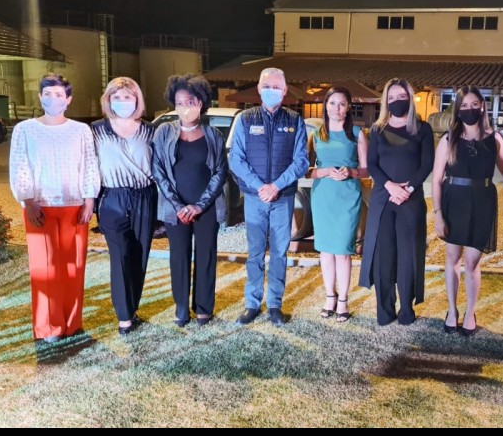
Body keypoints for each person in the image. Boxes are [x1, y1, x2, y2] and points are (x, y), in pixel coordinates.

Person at [9, 73, 101, 343]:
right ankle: (49, 326)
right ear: (40, 97)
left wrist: (89, 199)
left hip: (75, 207)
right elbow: (20, 165)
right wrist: (28, 200)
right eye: (48, 94)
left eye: (59, 94)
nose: (53, 99)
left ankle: (72, 322)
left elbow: (89, 164)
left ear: (68, 99)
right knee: (45, 269)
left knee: (73, 266)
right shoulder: (25, 129)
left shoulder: (81, 130)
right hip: (41, 208)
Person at [229, 67, 309, 326]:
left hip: (282, 198)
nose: (271, 91)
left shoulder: (295, 120)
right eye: (267, 86)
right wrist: (259, 186)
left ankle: (275, 304)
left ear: (284, 91)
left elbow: (301, 161)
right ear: (259, 89)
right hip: (254, 198)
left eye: (276, 87)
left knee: (279, 253)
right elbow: (236, 159)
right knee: (254, 253)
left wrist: (276, 186)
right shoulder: (245, 119)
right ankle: (252, 303)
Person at [152, 74, 227, 328]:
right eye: (180, 102)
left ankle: (204, 308)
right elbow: (158, 170)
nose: (185, 107)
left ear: (201, 103)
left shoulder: (213, 134)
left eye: (190, 102)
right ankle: (181, 308)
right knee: (179, 257)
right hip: (175, 209)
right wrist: (179, 206)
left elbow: (220, 172)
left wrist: (200, 205)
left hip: (206, 208)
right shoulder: (164, 132)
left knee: (206, 256)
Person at [431, 86, 503, 336]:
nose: (469, 109)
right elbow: (436, 180)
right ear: (457, 109)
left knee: (472, 262)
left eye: (474, 104)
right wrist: (438, 214)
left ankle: (470, 312)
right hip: (454, 202)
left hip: (483, 203)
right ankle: (452, 310)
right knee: (452, 258)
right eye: (464, 105)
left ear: (482, 106)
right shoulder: (448, 140)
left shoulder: (494, 139)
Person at [358, 78, 434, 326]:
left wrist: (408, 188)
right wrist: (390, 186)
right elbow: (372, 164)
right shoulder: (378, 129)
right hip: (383, 198)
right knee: (383, 256)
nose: (396, 101)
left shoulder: (422, 129)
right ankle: (384, 311)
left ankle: (406, 310)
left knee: (408, 256)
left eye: (401, 96)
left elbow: (427, 164)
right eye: (391, 98)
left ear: (410, 99)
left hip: (411, 200)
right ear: (385, 102)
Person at [92, 77, 157, 336]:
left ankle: (132, 308)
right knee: (120, 255)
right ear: (108, 100)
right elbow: (88, 167)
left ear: (137, 100)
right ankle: (124, 318)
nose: (122, 101)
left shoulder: (150, 131)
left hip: (144, 196)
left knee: (139, 256)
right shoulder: (96, 130)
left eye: (128, 97)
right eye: (116, 97)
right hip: (112, 198)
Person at [308, 86, 368, 322]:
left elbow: (367, 170)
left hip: (347, 197)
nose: (336, 108)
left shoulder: (357, 134)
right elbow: (306, 170)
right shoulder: (317, 134)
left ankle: (343, 299)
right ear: (326, 106)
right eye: (332, 103)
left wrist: (351, 171)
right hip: (323, 196)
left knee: (343, 251)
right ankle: (329, 297)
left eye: (342, 104)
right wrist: (323, 171)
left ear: (348, 108)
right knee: (325, 251)